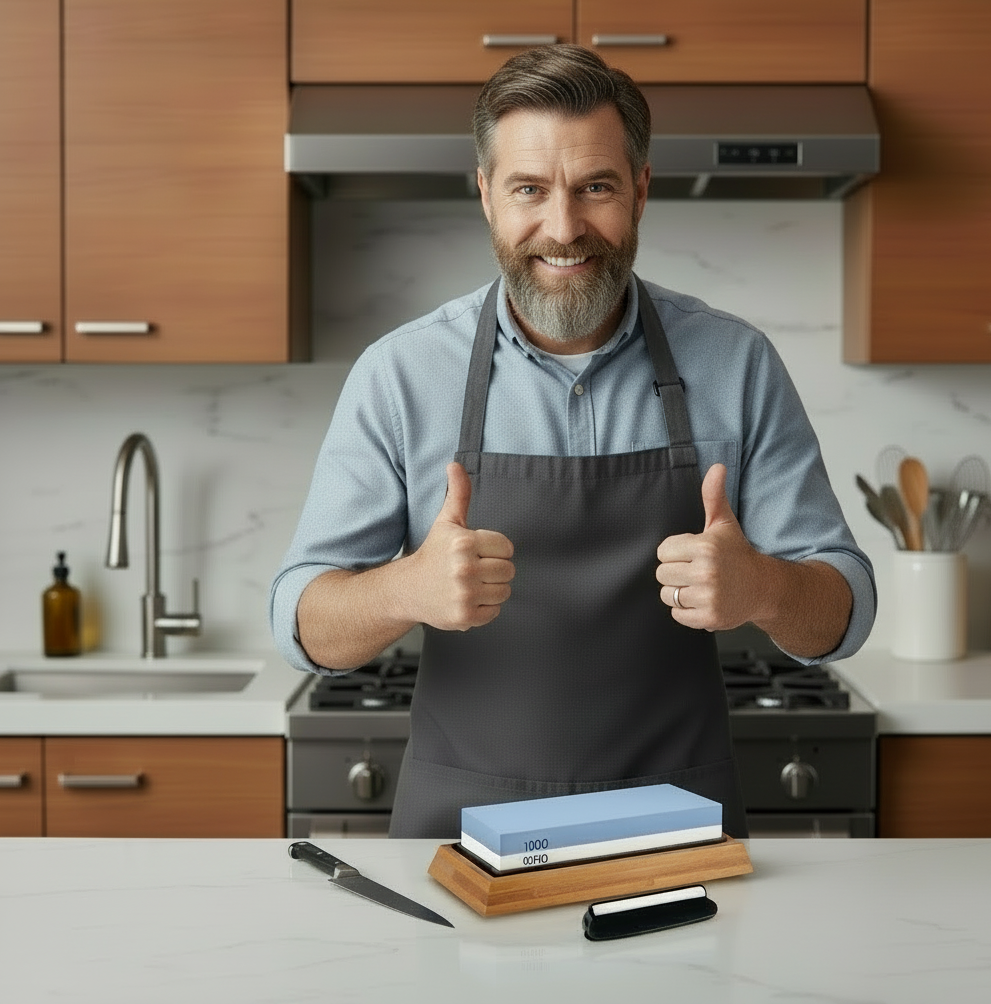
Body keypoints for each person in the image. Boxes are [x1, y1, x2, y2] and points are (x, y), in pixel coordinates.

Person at [270, 44, 876, 839]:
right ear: (486, 195)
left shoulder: (735, 363)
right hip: (458, 841)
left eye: (596, 187)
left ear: (642, 190)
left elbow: (847, 610)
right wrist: (404, 591)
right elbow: (298, 621)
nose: (563, 229)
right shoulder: (401, 374)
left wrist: (761, 587)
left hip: (676, 840)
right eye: (529, 189)